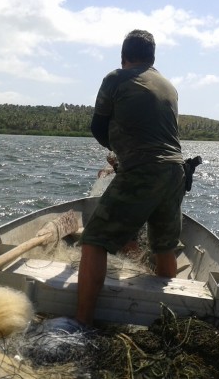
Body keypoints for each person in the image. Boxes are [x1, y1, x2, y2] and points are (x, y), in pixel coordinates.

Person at [76, 29, 185, 327]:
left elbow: (98, 128)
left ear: (123, 57)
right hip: (175, 171)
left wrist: (118, 152)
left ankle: (81, 324)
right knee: (164, 246)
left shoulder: (116, 78)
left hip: (143, 168)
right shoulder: (169, 85)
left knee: (94, 241)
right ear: (152, 58)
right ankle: (166, 317)